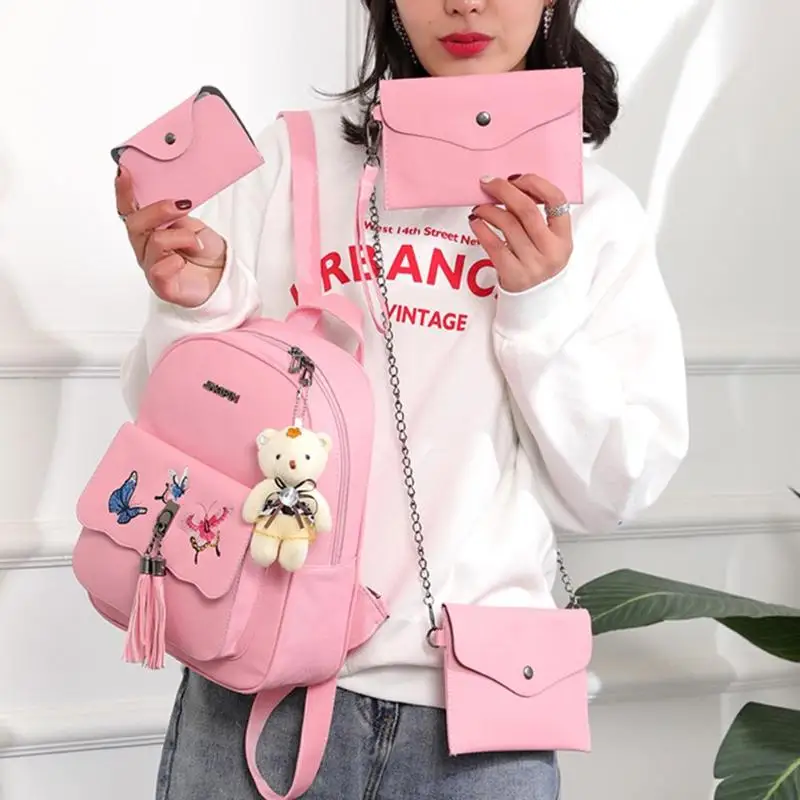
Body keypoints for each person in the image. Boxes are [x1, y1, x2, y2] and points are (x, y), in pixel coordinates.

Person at [114, 0, 689, 798]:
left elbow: (612, 490)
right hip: (258, 686)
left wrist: (538, 310)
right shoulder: (289, 160)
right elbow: (168, 426)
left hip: (481, 716)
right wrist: (192, 307)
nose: (464, 3)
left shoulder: (595, 214)